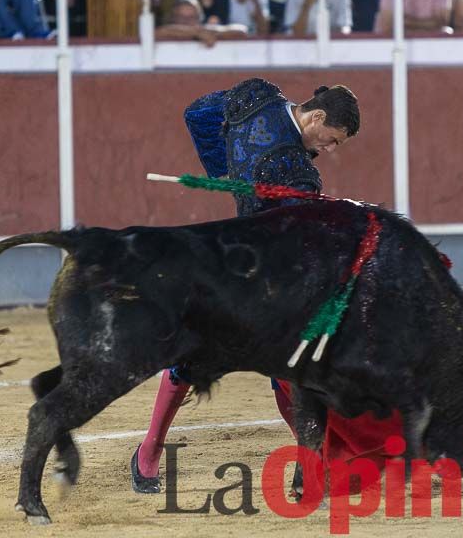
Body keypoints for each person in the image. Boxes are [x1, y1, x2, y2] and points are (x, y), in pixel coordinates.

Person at [130, 79, 361, 494]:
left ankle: (150, 453)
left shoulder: (257, 95)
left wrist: (222, 169)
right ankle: (149, 450)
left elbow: (197, 113)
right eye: (332, 140)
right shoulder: (298, 171)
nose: (329, 150)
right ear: (317, 117)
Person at [154, 0, 248, 44]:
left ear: (199, 19)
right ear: (172, 18)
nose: (186, 21)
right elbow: (158, 32)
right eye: (181, 17)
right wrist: (197, 33)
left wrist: (210, 32)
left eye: (191, 17)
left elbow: (242, 31)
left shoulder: (205, 31)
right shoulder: (167, 33)